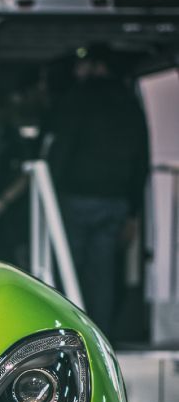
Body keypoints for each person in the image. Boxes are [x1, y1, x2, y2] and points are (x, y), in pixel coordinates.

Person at [46, 45, 149, 339]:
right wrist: (133, 211)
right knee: (102, 274)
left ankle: (66, 335)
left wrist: (51, 187)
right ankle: (99, 336)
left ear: (94, 65)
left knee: (67, 269)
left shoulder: (78, 98)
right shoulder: (130, 102)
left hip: (76, 197)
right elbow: (142, 160)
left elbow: (61, 148)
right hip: (115, 201)